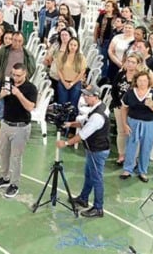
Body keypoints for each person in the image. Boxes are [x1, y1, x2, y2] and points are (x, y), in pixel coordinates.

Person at [57, 86, 110, 218]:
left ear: (96, 96)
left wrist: (66, 143)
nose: (85, 97)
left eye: (88, 95)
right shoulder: (98, 107)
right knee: (89, 175)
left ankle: (98, 208)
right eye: (84, 95)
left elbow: (82, 135)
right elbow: (83, 122)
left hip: (97, 150)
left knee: (97, 178)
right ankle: (83, 198)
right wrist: (70, 124)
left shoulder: (98, 116)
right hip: (93, 149)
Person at [0, 64, 38, 198]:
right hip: (6, 124)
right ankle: (4, 178)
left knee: (16, 158)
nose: (15, 78)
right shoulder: (7, 83)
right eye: (13, 75)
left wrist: (19, 94)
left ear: (25, 74)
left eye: (18, 75)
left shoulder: (30, 88)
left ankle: (14, 184)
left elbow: (30, 107)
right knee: (3, 153)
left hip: (20, 127)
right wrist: (1, 94)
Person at [120, 70, 153, 182]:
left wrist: (151, 106)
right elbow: (124, 108)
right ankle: (127, 169)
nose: (142, 83)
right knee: (131, 145)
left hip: (149, 123)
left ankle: (142, 171)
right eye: (140, 80)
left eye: (145, 80)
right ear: (136, 81)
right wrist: (125, 124)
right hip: (133, 121)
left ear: (148, 81)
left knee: (146, 147)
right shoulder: (130, 93)